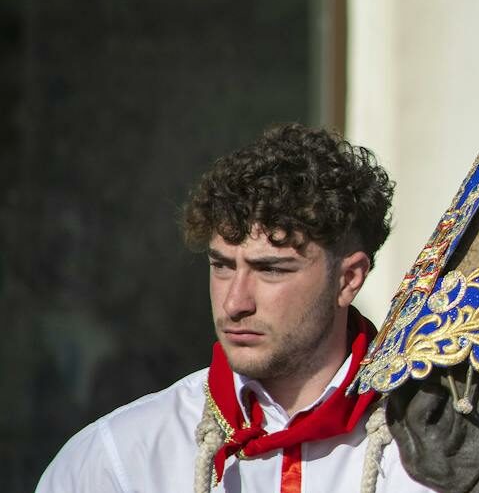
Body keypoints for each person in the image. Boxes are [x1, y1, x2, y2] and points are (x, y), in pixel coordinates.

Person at [37, 124, 432, 493]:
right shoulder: (118, 462)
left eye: (270, 269)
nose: (234, 302)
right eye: (222, 266)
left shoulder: (433, 456)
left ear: (348, 280)